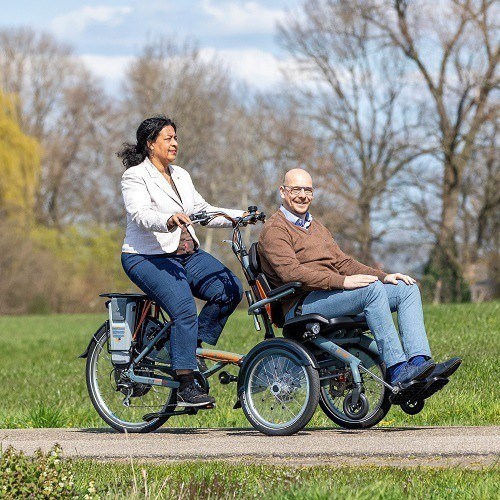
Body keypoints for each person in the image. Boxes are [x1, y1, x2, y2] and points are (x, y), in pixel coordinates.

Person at [258, 168, 461, 388]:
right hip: (301, 303)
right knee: (370, 290)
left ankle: (420, 364)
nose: (302, 195)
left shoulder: (317, 227)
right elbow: (292, 274)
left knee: (406, 288)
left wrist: (385, 277)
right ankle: (397, 370)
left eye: (308, 190)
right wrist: (342, 282)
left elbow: (343, 263)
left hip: (330, 295)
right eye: (296, 189)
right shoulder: (275, 230)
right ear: (282, 191)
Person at [118, 115, 245, 407]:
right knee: (184, 308)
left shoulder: (181, 175)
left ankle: (188, 348)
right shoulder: (135, 176)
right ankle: (187, 382)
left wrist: (241, 216)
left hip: (185, 255)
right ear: (150, 144)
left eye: (176, 138)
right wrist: (168, 219)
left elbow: (202, 210)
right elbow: (139, 213)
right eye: (168, 138)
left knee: (230, 289)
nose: (175, 143)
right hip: (146, 257)